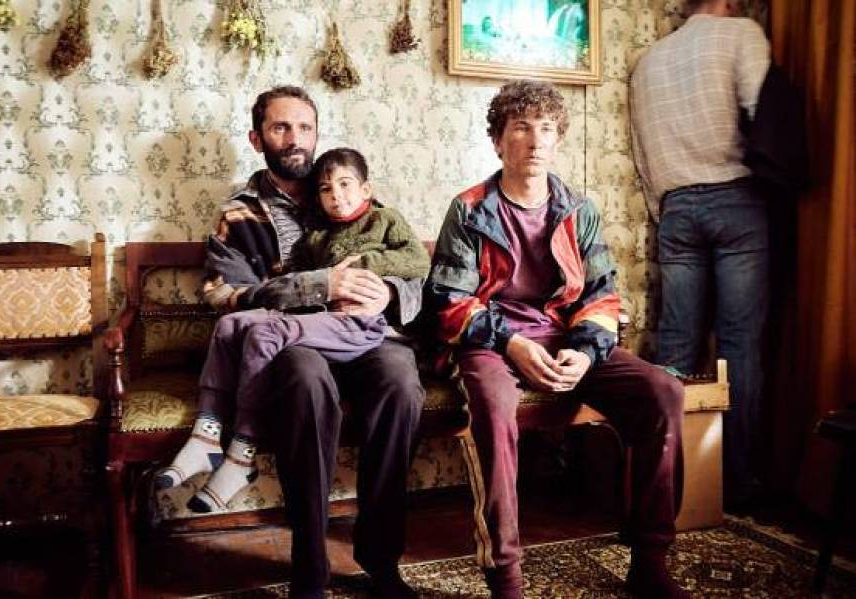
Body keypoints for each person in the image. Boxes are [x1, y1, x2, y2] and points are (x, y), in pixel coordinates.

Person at [155, 85, 424, 599]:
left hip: (364, 333)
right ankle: (310, 563)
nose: (295, 138)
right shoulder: (239, 214)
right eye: (281, 127)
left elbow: (410, 267)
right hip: (292, 342)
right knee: (306, 382)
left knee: (401, 383)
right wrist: (317, 286)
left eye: (304, 127)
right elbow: (225, 296)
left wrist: (386, 292)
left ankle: (380, 556)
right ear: (257, 139)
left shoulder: (347, 188)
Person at [425, 80, 688, 599]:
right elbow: (449, 302)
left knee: (663, 391)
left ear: (557, 138)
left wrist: (584, 353)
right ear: (498, 140)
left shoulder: (578, 210)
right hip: (490, 341)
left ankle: (650, 561)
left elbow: (601, 295)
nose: (535, 140)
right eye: (521, 127)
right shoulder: (469, 209)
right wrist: (512, 344)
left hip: (564, 336)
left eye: (546, 128)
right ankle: (506, 577)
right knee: (494, 407)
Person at [628, 0, 771, 509]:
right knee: (739, 346)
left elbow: (642, 154)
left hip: (676, 207)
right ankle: (739, 483)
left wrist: (664, 209)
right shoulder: (741, 34)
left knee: (676, 346)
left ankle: (669, 483)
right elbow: (762, 114)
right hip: (736, 199)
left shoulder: (649, 61)